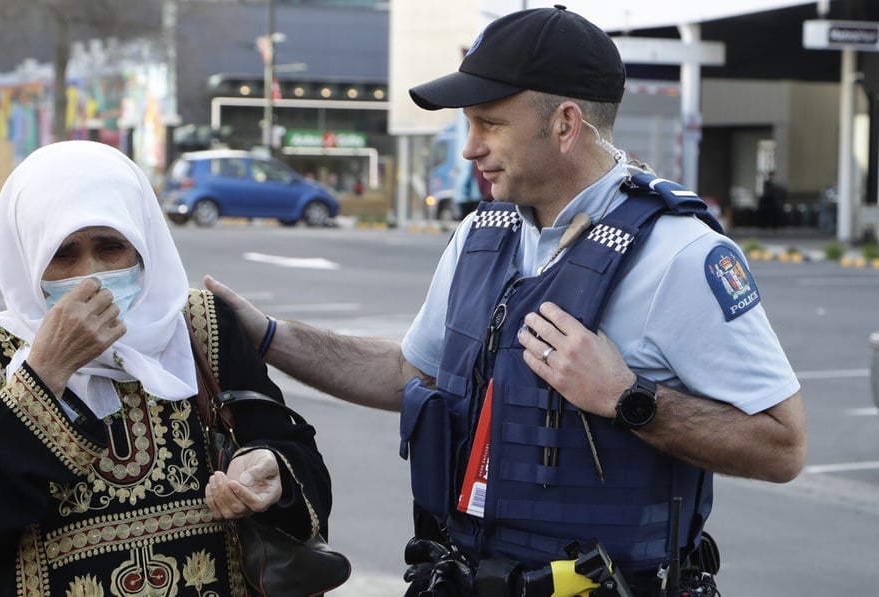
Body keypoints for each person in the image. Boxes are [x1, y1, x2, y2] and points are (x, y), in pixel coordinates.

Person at [206, 6, 806, 596]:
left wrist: (628, 399)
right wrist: (264, 334)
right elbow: (407, 373)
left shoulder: (679, 254)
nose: (470, 148)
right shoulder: (482, 235)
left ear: (565, 124)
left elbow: (783, 445)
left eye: (489, 123)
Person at [0, 140, 332, 596]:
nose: (91, 275)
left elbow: (296, 454)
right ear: (28, 257)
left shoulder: (202, 328)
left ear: (142, 245)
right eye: (63, 254)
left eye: (110, 246)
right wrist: (45, 376)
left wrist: (270, 472)